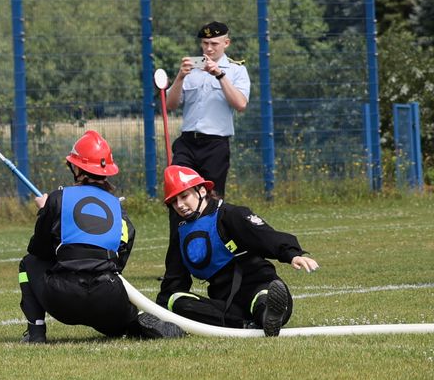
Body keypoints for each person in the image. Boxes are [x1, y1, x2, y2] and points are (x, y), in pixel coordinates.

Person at [18, 131, 181, 345]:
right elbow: (119, 260)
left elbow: (38, 250)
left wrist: (44, 211)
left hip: (63, 298)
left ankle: (36, 333)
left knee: (27, 264)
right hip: (108, 296)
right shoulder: (118, 208)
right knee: (114, 321)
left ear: (76, 168)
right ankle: (132, 322)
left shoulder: (58, 199)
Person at [157, 165, 318, 335]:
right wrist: (158, 312)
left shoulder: (229, 214)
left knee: (265, 300)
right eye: (174, 201)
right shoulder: (181, 234)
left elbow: (263, 235)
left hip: (258, 285)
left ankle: (268, 317)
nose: (180, 205)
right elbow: (173, 281)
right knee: (175, 300)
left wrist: (292, 254)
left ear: (202, 191)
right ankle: (244, 325)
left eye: (184, 196)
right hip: (225, 303)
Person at [162, 20, 250, 195]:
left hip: (215, 144)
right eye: (205, 43)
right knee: (179, 191)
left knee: (212, 197)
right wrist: (180, 77)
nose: (209, 49)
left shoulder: (236, 70)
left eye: (214, 44)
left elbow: (240, 104)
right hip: (187, 142)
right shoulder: (191, 68)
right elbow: (170, 105)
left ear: (226, 43)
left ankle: (211, 223)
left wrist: (220, 75)